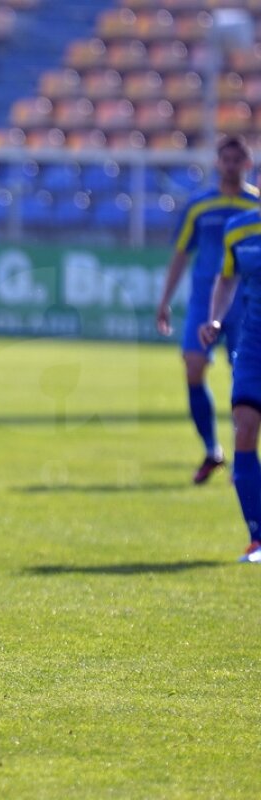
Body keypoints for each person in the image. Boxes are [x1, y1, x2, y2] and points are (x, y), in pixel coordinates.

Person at [156, 135, 258, 484]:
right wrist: (165, 300)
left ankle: (241, 458)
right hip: (204, 301)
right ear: (217, 163)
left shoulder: (255, 207)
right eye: (225, 159)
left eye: (237, 160)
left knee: (242, 380)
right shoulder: (199, 205)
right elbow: (181, 253)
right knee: (193, 367)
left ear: (247, 164)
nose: (230, 166)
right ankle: (213, 450)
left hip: (245, 305)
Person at [202, 192, 261, 562]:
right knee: (244, 425)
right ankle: (257, 537)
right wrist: (216, 319)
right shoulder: (238, 228)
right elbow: (226, 279)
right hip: (253, 341)